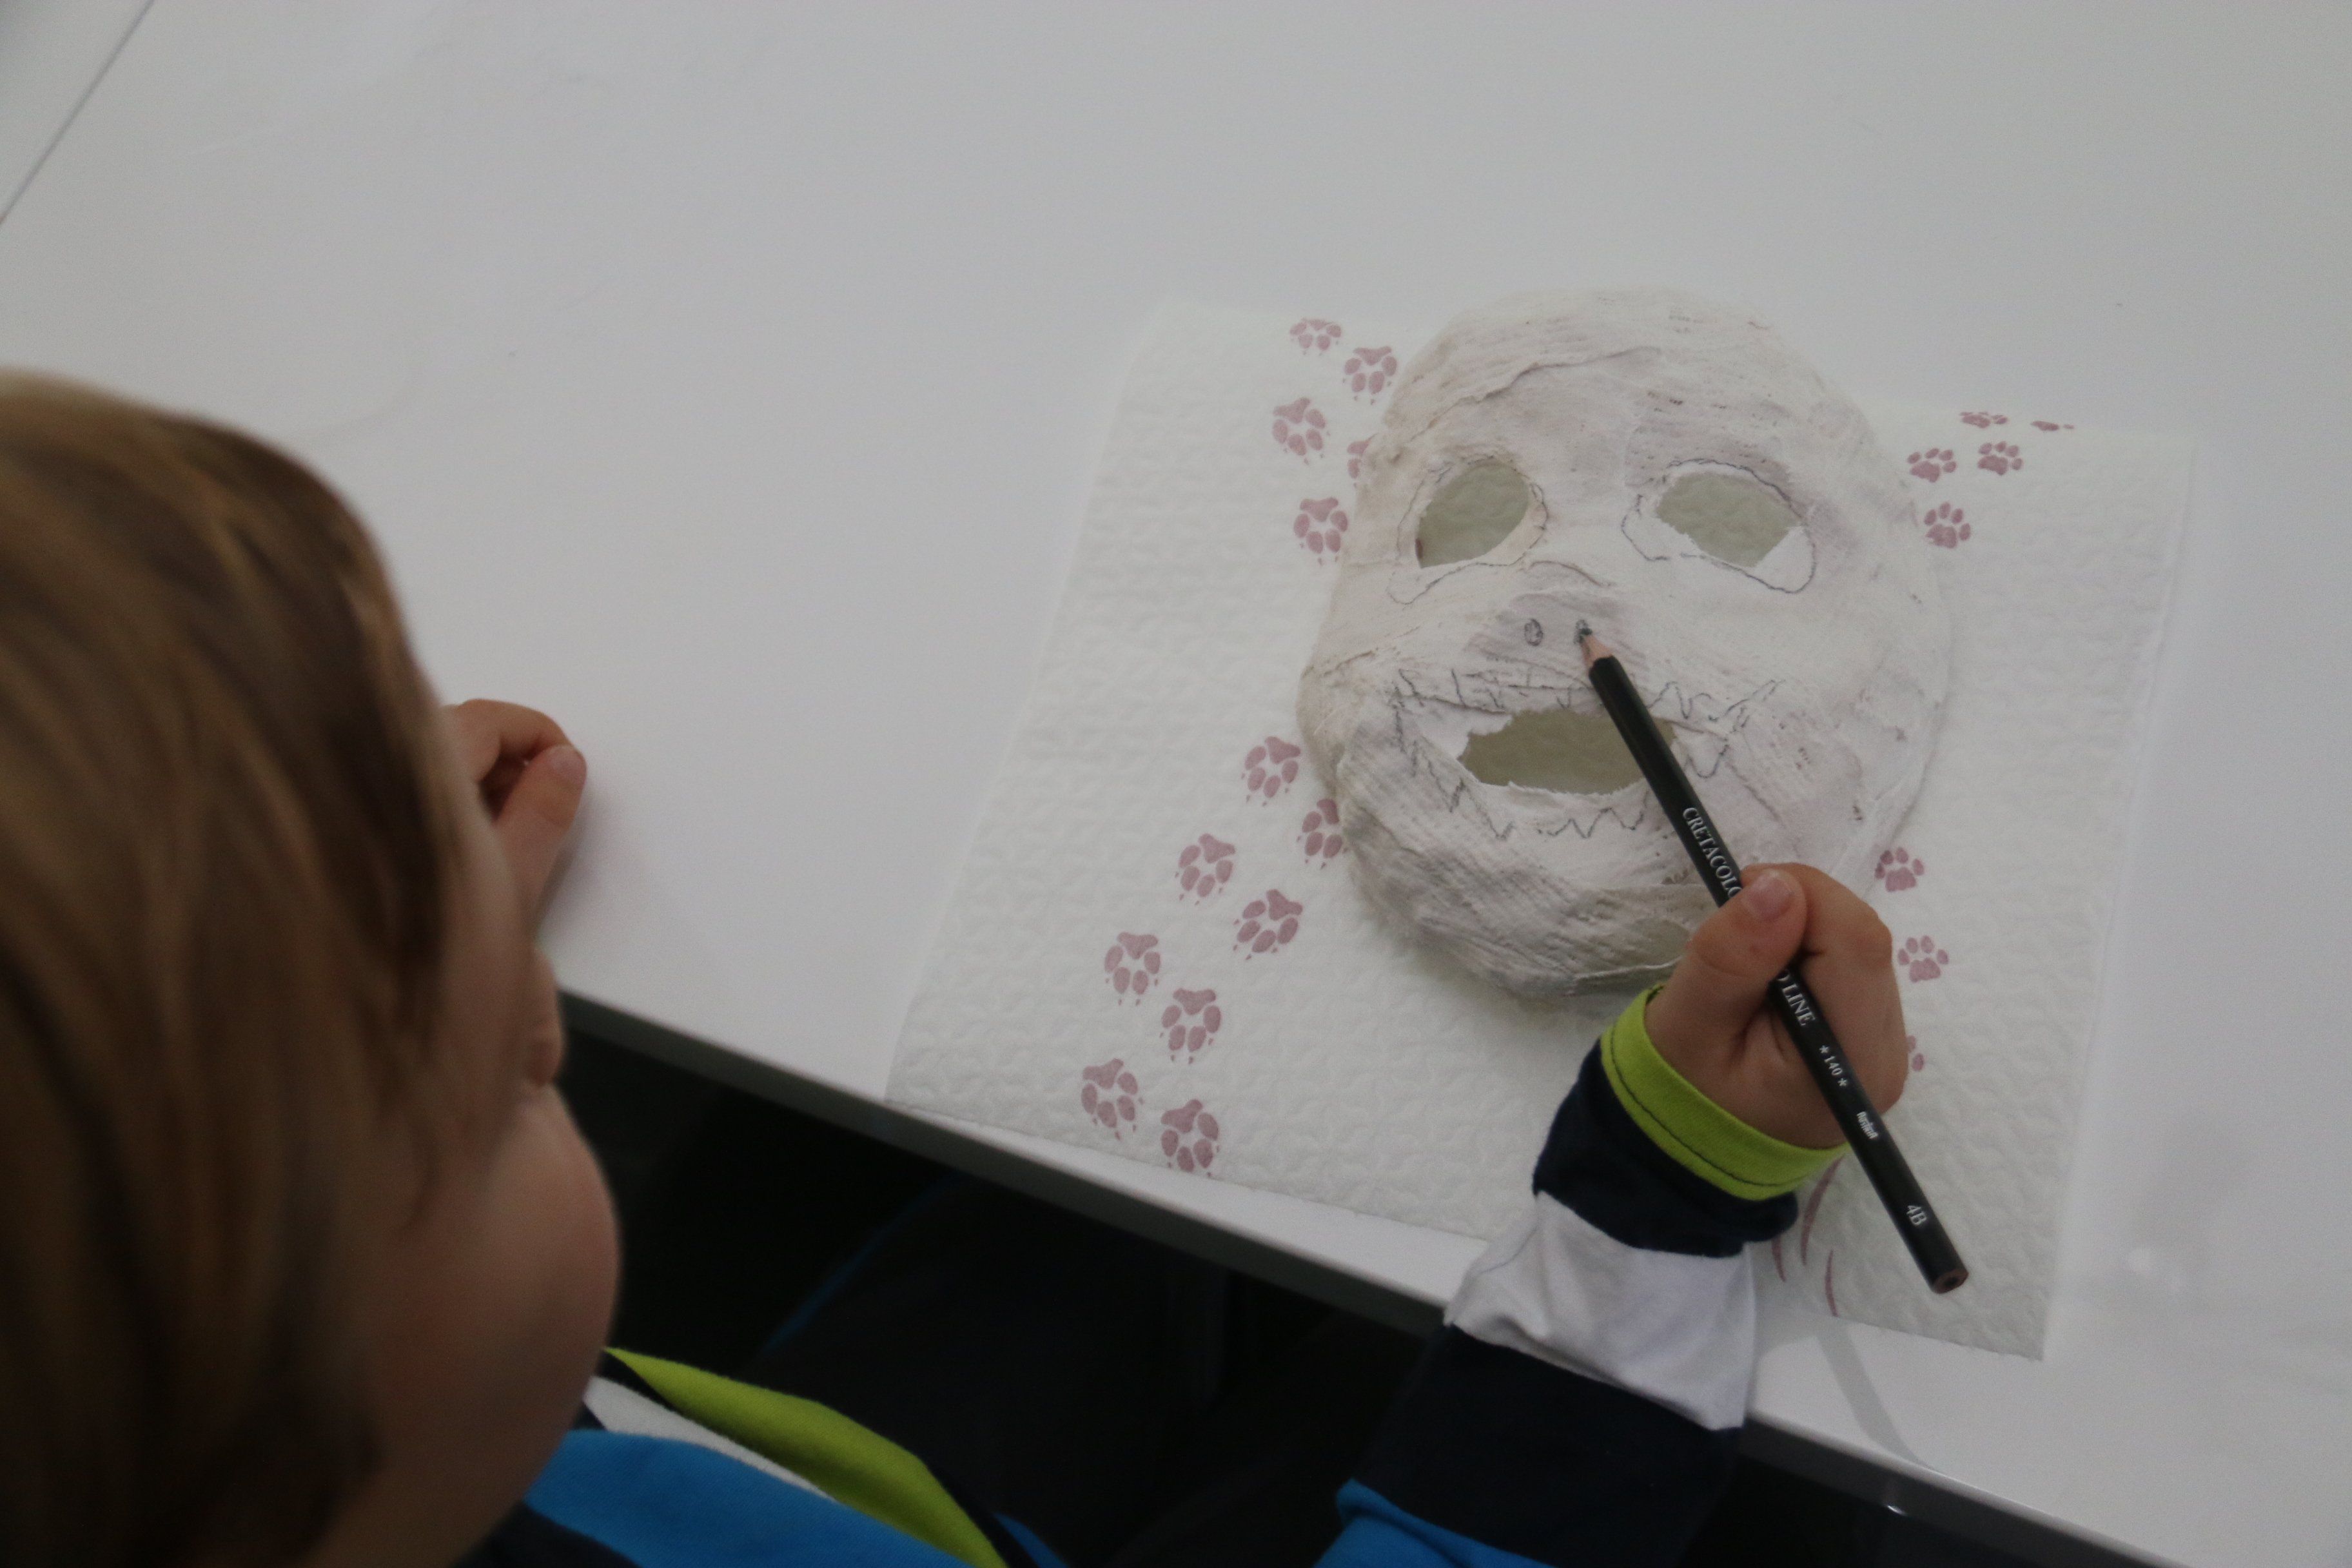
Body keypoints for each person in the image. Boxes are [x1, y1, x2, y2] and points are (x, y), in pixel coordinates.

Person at [0, 378, 1905, 1568]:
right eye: (510, 1083)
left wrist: (321, 919)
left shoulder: (228, 1449)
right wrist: (1664, 1208)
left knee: (1102, 1247)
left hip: (813, 1477)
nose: (542, 1016)